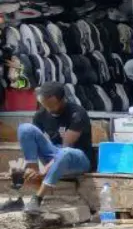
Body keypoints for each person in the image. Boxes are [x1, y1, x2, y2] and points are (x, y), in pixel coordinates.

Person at [16, 83, 94, 215]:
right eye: (44, 104)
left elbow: (66, 146)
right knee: (25, 128)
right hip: (54, 154)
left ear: (62, 100)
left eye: (51, 105)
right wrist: (29, 166)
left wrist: (45, 170)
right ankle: (31, 172)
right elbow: (33, 141)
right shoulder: (41, 114)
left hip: (78, 158)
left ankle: (38, 198)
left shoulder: (77, 113)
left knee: (64, 152)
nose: (48, 108)